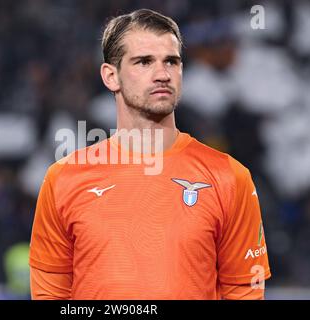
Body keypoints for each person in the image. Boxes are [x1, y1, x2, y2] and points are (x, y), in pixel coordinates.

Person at [29, 8, 271, 300]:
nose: (162, 74)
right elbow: (50, 294)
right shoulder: (63, 179)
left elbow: (244, 292)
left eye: (171, 61)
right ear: (111, 76)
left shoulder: (230, 177)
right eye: (144, 62)